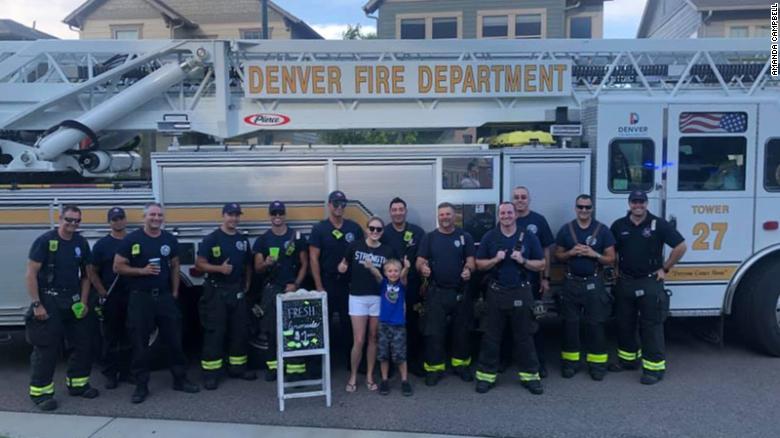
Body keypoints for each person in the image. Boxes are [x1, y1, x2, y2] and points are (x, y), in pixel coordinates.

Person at [114, 202, 199, 403]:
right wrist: (141, 271)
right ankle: (141, 385)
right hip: (140, 297)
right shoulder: (132, 239)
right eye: (152, 214)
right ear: (144, 217)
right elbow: (118, 266)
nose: (156, 218)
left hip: (164, 297)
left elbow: (175, 264)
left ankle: (180, 379)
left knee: (174, 340)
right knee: (140, 343)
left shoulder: (169, 239)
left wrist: (175, 291)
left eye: (159, 215)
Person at [610, 190, 687, 385]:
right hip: (625, 282)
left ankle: (654, 368)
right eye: (634, 202)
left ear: (646, 203)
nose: (638, 205)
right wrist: (616, 270)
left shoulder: (658, 224)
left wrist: (666, 268)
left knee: (651, 326)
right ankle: (628, 361)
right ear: (629, 203)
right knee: (624, 323)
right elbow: (613, 251)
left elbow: (681, 246)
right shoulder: (619, 225)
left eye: (641, 202)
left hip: (650, 281)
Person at [25, 205, 97, 411]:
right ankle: (41, 394)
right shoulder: (45, 241)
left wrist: (83, 302)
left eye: (77, 221)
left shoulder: (81, 243)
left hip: (73, 299)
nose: (72, 224)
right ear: (60, 218)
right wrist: (37, 304)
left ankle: (78, 385)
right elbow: (30, 274)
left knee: (83, 343)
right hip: (49, 299)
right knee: (47, 348)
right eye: (69, 219)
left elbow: (86, 275)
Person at [474, 202, 545, 395]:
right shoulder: (490, 237)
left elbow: (541, 264)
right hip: (496, 292)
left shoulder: (528, 236)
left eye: (509, 212)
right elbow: (479, 264)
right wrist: (495, 260)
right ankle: (486, 376)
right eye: (503, 212)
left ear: (516, 215)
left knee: (525, 336)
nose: (506, 215)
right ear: (499, 215)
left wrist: (523, 261)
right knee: (491, 336)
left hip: (521, 291)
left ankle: (530, 377)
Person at [554, 195, 616, 381]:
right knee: (569, 325)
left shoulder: (603, 230)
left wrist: (594, 254)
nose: (583, 210)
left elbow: (611, 258)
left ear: (592, 209)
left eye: (587, 207)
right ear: (575, 208)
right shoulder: (566, 230)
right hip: (571, 283)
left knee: (595, 324)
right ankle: (570, 363)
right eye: (580, 207)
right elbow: (557, 255)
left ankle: (597, 365)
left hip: (593, 283)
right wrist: (571, 252)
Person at [195, 203, 256, 390]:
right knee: (215, 332)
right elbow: (199, 264)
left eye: (237, 215)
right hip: (216, 292)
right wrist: (219, 268)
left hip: (236, 291)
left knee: (239, 331)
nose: (234, 219)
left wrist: (247, 283)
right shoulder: (212, 239)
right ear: (223, 215)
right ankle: (211, 374)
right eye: (231, 214)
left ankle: (237, 368)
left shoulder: (242, 240)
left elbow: (247, 264)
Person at [416, 202, 476, 386]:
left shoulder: (464, 236)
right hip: (436, 292)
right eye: (441, 214)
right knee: (434, 332)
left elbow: (471, 261)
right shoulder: (430, 237)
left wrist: (468, 270)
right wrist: (423, 268)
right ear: (438, 217)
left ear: (454, 215)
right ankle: (434, 368)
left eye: (448, 214)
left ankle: (461, 365)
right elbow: (419, 261)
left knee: (462, 331)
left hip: (459, 292)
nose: (445, 217)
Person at [338, 216, 396, 392]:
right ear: (366, 229)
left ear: (382, 231)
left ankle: (370, 375)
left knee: (373, 338)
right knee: (359, 339)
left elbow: (389, 278)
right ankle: (353, 375)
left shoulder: (387, 251)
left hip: (378, 298)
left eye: (379, 229)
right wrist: (342, 267)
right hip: (357, 297)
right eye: (372, 228)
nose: (375, 232)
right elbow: (344, 263)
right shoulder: (355, 246)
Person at [253, 200, 309, 381]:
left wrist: (296, 284)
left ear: (284, 215)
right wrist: (266, 263)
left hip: (291, 288)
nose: (277, 216)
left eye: (280, 213)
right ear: (270, 216)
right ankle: (273, 368)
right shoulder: (263, 240)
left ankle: (295, 370)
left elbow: (304, 264)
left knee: (294, 330)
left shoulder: (296, 237)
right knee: (271, 331)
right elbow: (257, 268)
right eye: (274, 213)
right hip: (271, 290)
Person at [309, 190, 364, 366]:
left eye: (342, 204)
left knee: (349, 324)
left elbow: (362, 253)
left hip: (349, 284)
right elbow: (313, 259)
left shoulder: (354, 228)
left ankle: (352, 362)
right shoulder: (320, 228)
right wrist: (318, 286)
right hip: (327, 282)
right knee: (322, 324)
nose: (339, 207)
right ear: (329, 205)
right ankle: (320, 364)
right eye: (336, 203)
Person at [380, 197, 425, 376]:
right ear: (390, 212)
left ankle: (412, 362)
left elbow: (423, 257)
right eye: (394, 209)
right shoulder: (384, 233)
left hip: (411, 286)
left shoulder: (418, 232)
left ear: (405, 211)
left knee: (412, 324)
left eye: (401, 209)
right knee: (389, 326)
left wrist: (423, 282)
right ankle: (389, 364)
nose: (398, 212)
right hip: (389, 289)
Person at [512, 186, 554, 377]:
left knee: (535, 324)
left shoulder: (538, 220)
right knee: (508, 322)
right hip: (510, 283)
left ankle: (540, 363)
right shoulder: (507, 218)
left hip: (532, 281)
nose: (520, 200)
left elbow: (546, 251)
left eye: (523, 197)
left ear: (529, 199)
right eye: (516, 197)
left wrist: (545, 277)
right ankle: (508, 359)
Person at [89, 207, 131, 389]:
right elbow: (91, 270)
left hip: (132, 295)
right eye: (114, 219)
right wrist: (100, 290)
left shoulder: (133, 241)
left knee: (131, 335)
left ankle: (128, 372)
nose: (118, 221)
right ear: (109, 222)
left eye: (121, 218)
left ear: (125, 220)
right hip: (112, 296)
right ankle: (110, 374)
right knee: (111, 336)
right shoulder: (102, 245)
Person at [363, 258, 413, 396]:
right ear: (386, 273)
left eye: (396, 270)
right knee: (383, 354)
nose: (393, 273)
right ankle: (384, 380)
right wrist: (370, 267)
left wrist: (406, 268)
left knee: (400, 355)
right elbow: (377, 274)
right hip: (384, 324)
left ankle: (404, 381)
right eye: (390, 271)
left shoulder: (402, 284)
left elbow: (403, 276)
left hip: (398, 325)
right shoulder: (383, 283)